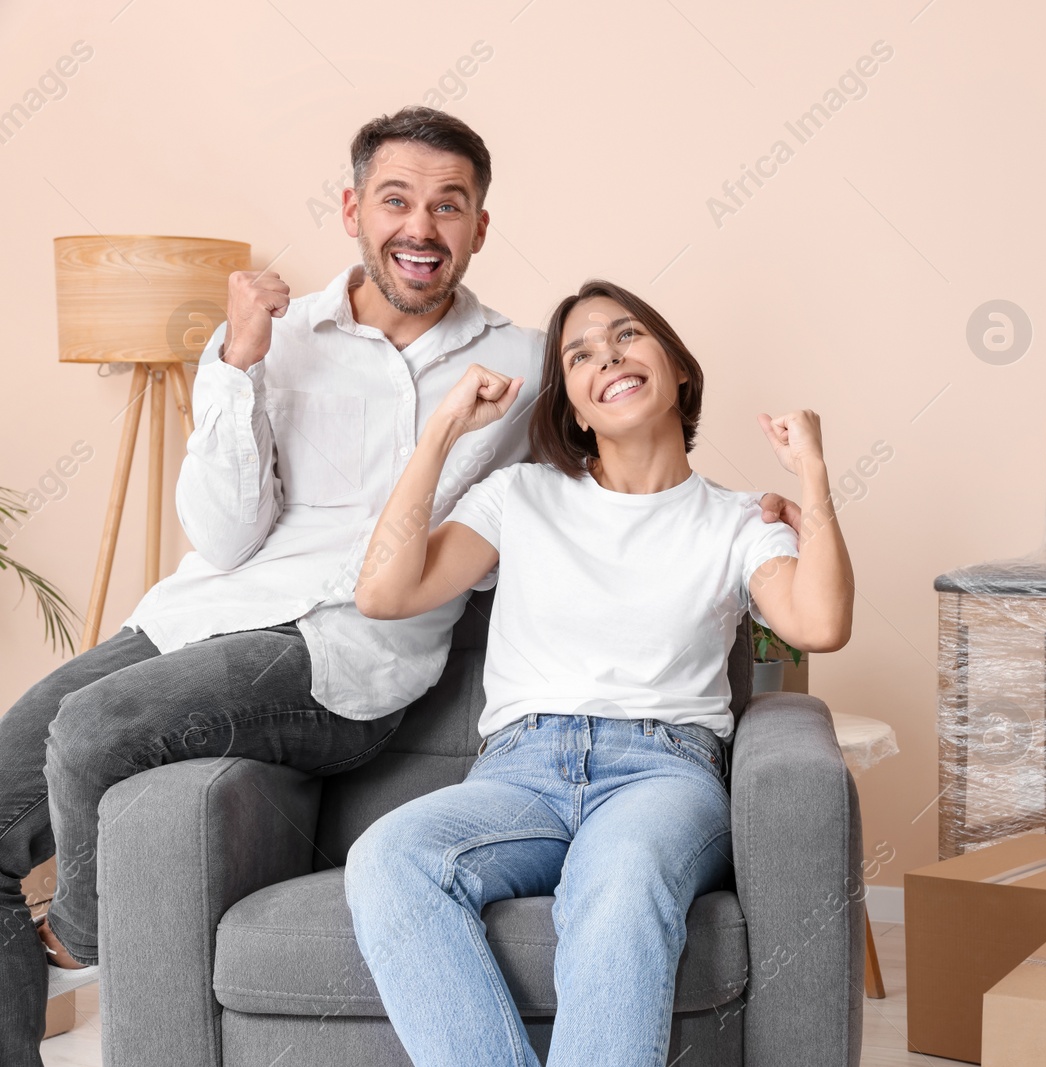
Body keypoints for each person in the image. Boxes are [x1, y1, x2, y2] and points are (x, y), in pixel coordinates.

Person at [0, 105, 792, 1066]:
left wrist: (769, 519)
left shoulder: (527, 361)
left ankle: (80, 935)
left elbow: (622, 459)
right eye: (397, 200)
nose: (421, 226)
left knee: (90, 731)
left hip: (342, 655)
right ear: (352, 210)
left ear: (479, 229)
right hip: (200, 619)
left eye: (448, 206)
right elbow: (218, 532)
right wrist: (237, 360)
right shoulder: (277, 340)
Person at [343, 279, 853, 1067]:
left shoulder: (736, 520)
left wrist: (813, 479)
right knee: (388, 856)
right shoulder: (520, 495)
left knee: (619, 881)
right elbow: (383, 590)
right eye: (579, 354)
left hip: (662, 772)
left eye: (626, 336)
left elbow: (820, 623)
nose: (606, 357)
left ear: (678, 370)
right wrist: (443, 428)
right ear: (576, 407)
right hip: (518, 773)